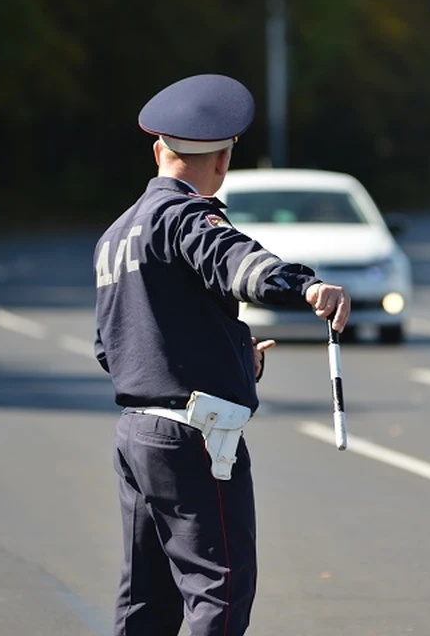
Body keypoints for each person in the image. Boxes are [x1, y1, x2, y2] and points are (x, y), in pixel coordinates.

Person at [93, 73, 350, 636]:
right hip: (193, 439)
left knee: (145, 600)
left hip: (137, 433)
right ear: (223, 160)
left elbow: (115, 347)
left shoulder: (115, 234)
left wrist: (231, 357)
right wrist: (305, 286)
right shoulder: (186, 215)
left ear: (159, 149)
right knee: (220, 589)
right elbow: (236, 264)